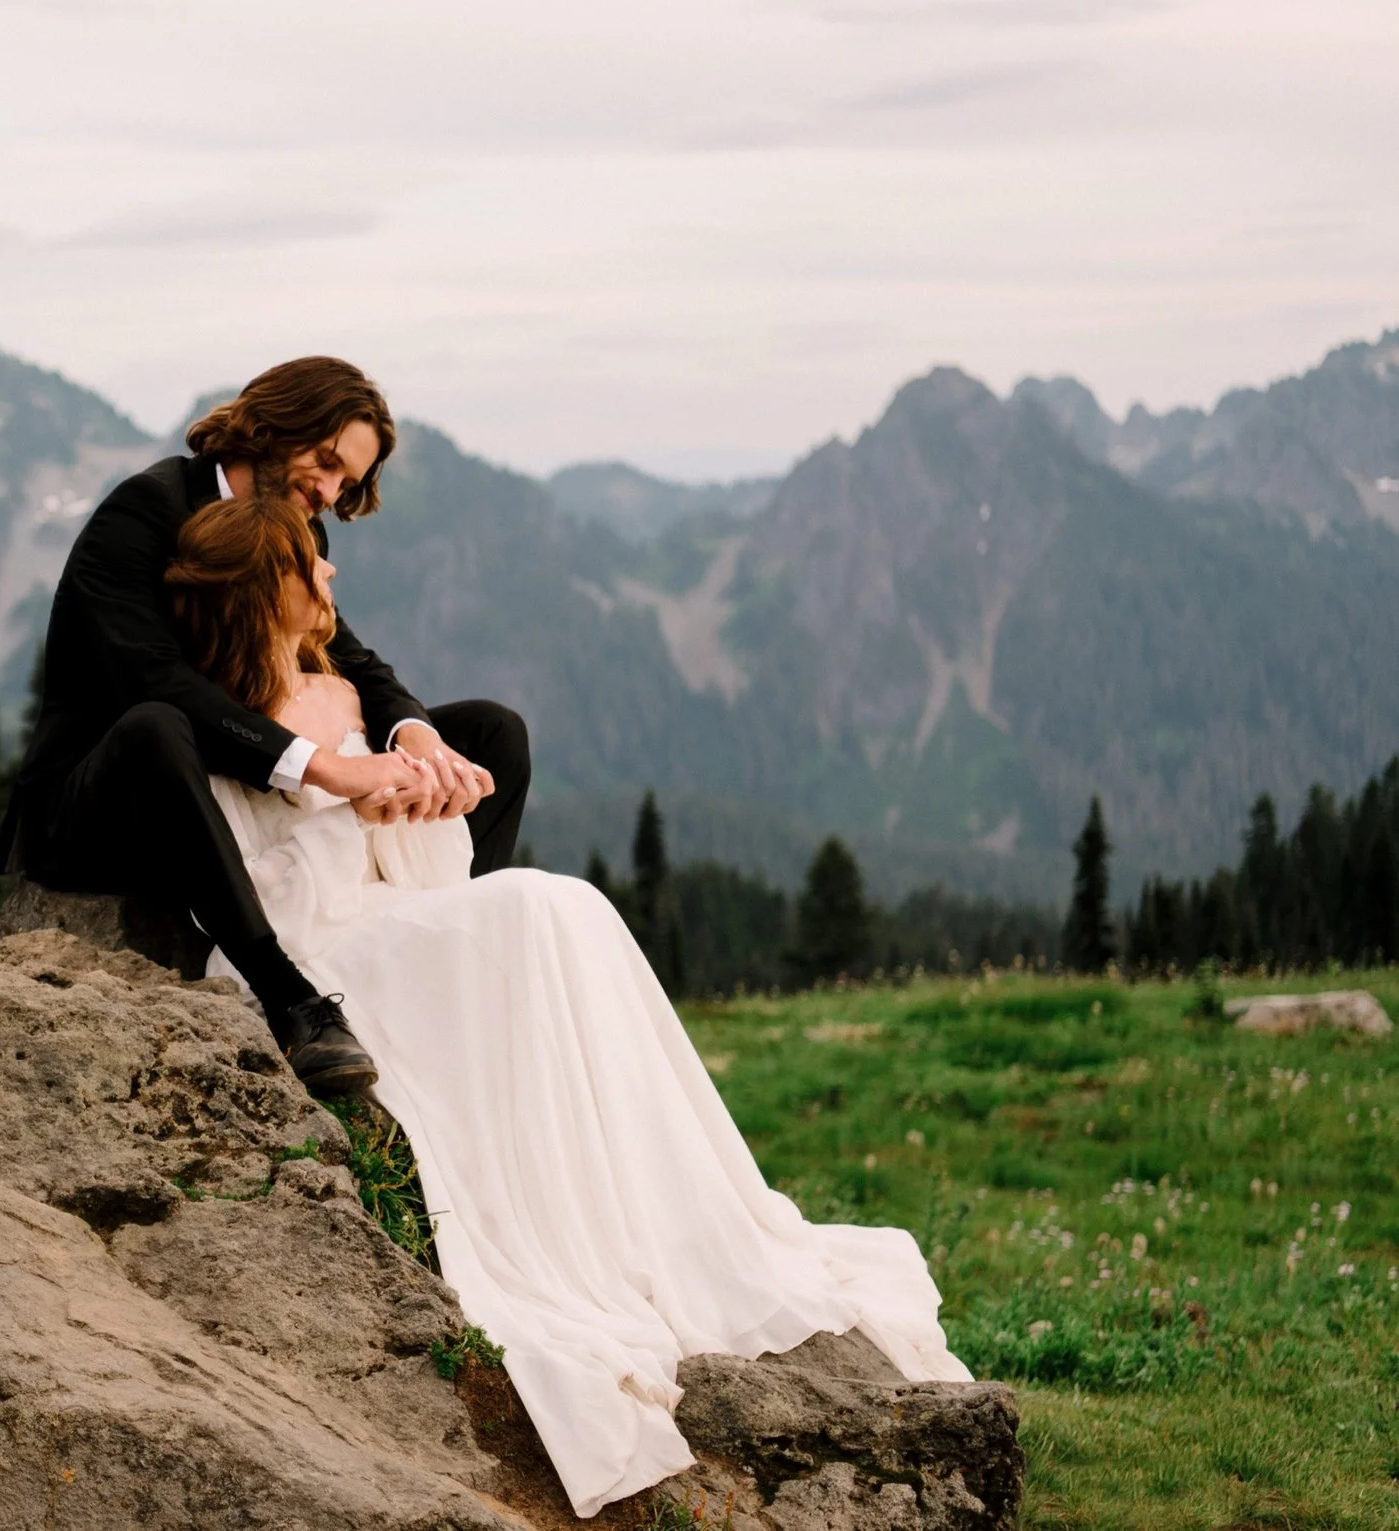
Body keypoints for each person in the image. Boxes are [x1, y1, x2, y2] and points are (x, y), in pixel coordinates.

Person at [163, 493, 973, 1515]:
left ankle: (632, 1196)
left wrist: (421, 804)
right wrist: (350, 805)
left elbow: (428, 874)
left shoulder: (337, 689)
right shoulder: (223, 721)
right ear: (263, 587)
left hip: (394, 912)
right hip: (310, 948)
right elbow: (255, 892)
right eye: (307, 563)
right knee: (535, 906)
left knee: (559, 905)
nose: (330, 576)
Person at [0, 356, 529, 1096]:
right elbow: (154, 681)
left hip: (242, 776)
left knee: (493, 735)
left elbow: (350, 656)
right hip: (116, 796)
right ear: (275, 425)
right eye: (326, 462)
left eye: (346, 482)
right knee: (155, 725)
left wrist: (416, 739)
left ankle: (455, 956)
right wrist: (330, 767)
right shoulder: (143, 513)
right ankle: (291, 1002)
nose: (329, 492)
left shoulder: (298, 527)